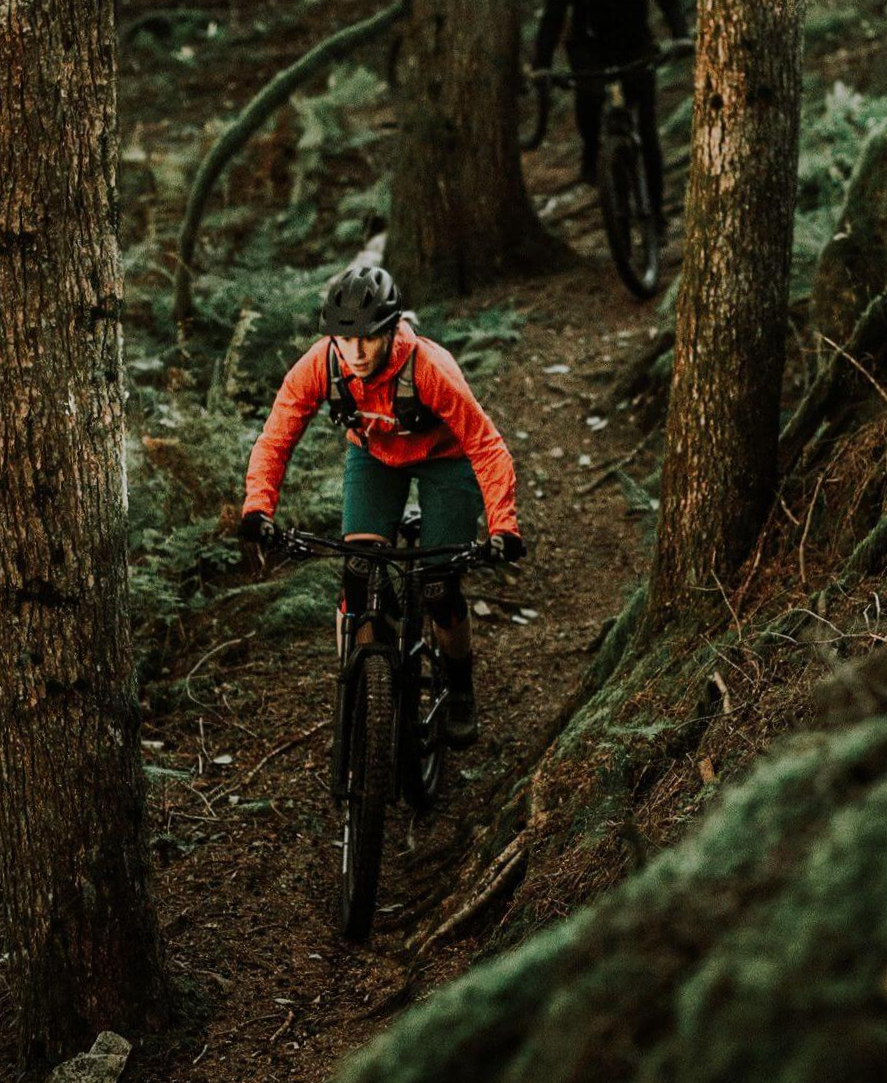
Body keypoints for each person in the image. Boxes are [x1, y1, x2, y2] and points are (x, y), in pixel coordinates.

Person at [239, 266, 525, 750]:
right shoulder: (322, 365)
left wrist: (503, 524)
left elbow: (485, 444)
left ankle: (459, 690)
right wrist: (258, 506)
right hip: (374, 456)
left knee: (438, 585)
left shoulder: (429, 367)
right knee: (359, 571)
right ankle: (360, 698)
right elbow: (277, 435)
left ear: (391, 330)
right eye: (344, 339)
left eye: (368, 339)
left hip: (445, 463)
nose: (355, 353)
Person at [532, 0, 691, 234]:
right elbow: (554, 13)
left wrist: (681, 35)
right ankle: (592, 153)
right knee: (589, 96)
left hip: (635, 44)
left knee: (647, 130)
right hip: (588, 47)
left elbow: (669, 3)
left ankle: (656, 214)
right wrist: (541, 64)